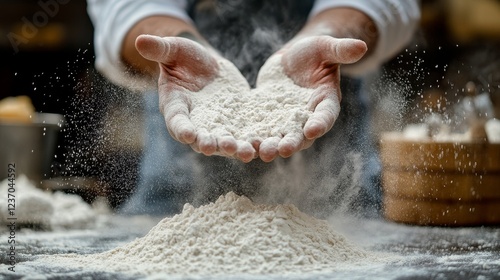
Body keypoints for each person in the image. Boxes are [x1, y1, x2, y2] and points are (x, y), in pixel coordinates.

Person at [86, 0, 421, 216]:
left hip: (340, 200)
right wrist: (176, 44)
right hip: (174, 202)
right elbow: (125, 7)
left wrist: (326, 33)